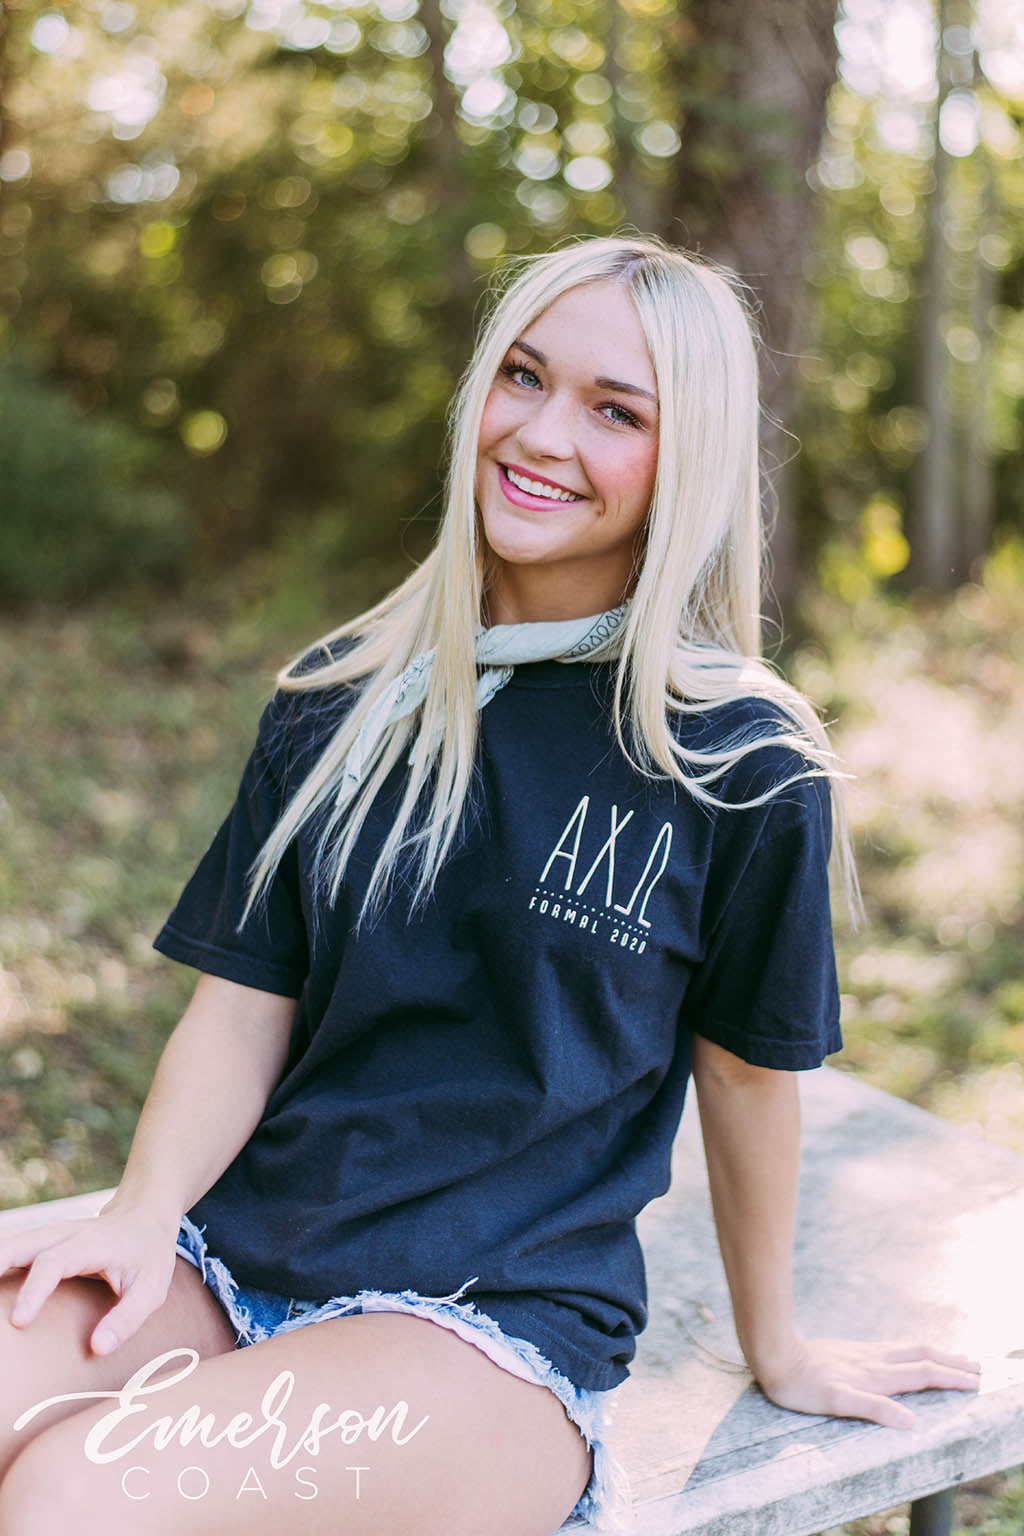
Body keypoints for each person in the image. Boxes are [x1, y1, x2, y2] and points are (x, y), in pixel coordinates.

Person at [0, 233, 980, 1535]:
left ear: (683, 460)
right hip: (237, 1258)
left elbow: (748, 1077)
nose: (542, 432)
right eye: (524, 375)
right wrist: (137, 1215)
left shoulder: (739, 762)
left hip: (486, 1333)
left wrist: (780, 1343)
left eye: (616, 410)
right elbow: (242, 1008)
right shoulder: (345, 697)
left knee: (74, 1493)